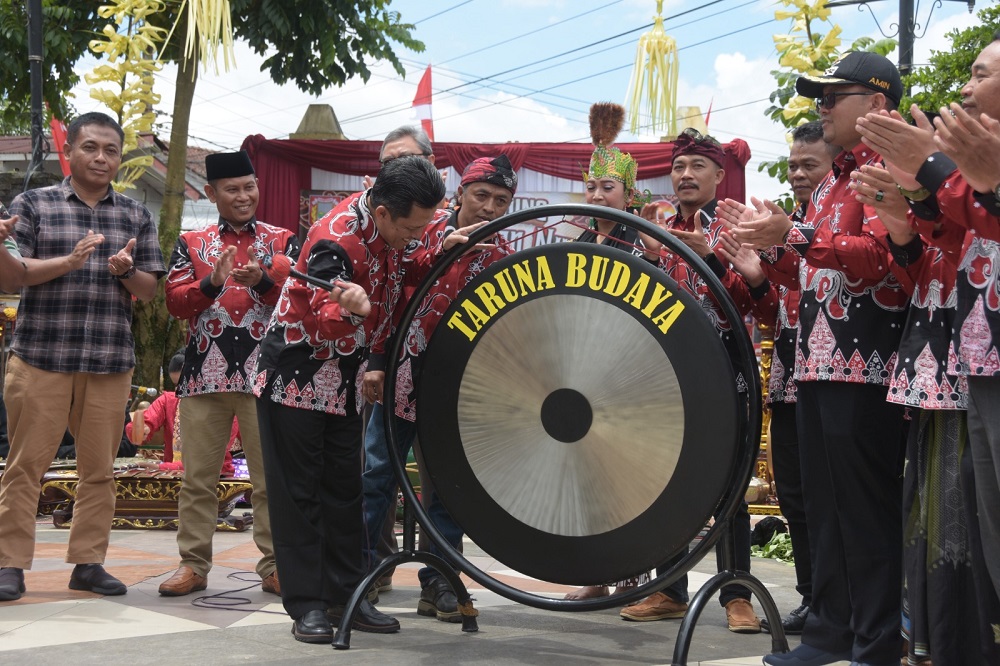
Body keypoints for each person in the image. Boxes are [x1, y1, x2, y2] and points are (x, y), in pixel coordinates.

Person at [719, 52, 911, 666]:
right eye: (821, 96)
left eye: (837, 94)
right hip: (816, 366)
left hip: (868, 367)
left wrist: (792, 237)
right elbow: (809, 273)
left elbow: (881, 261)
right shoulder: (832, 181)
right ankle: (829, 630)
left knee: (866, 511)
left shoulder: (895, 166)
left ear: (877, 103)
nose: (822, 106)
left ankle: (877, 640)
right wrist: (766, 256)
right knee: (826, 512)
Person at [255, 156, 475, 644]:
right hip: (295, 376)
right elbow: (323, 309)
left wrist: (439, 250)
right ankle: (307, 605)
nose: (418, 234)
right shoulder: (336, 238)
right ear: (381, 214)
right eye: (413, 227)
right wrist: (349, 308)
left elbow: (403, 263)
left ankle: (345, 597)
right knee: (301, 494)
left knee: (344, 491)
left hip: (345, 380)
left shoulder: (393, 227)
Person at [853, 33, 1000, 661]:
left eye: (979, 73)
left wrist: (936, 173)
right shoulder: (968, 170)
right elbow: (940, 256)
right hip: (970, 362)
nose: (963, 89)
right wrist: (913, 203)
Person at [0, 111, 165, 602]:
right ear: (68, 151)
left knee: (100, 469)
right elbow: (11, 276)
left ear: (119, 158)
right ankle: (9, 564)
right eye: (90, 147)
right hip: (41, 357)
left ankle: (88, 563)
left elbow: (150, 290)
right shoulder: (33, 204)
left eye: (110, 150)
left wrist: (124, 271)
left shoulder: (135, 215)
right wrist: (69, 262)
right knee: (26, 465)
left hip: (109, 361)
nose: (101, 157)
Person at [362, 154, 517, 622]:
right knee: (376, 476)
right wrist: (376, 361)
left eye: (501, 200)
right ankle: (360, 575)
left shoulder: (506, 257)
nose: (490, 207)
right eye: (482, 195)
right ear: (460, 195)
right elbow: (389, 299)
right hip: (402, 375)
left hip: (461, 390)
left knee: (448, 488)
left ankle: (441, 584)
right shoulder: (417, 233)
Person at [623, 127, 761, 634]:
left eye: (696, 167)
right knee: (665, 481)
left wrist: (712, 256)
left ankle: (736, 595)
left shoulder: (738, 225)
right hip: (664, 375)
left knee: (729, 484)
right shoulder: (653, 226)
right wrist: (649, 262)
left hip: (725, 370)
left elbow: (751, 302)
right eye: (679, 167)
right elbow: (633, 300)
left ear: (719, 176)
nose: (684, 175)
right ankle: (669, 588)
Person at [159, 151, 298, 598]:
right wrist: (211, 284)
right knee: (197, 477)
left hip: (265, 376)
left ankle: (276, 565)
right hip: (203, 375)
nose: (243, 196)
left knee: (269, 479)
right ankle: (192, 565)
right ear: (211, 193)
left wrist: (260, 280)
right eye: (232, 189)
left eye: (249, 187)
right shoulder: (191, 241)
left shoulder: (282, 240)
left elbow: (297, 301)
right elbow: (175, 302)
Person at [721, 121, 836, 636]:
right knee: (793, 495)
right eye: (791, 165)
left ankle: (840, 607)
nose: (797, 175)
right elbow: (776, 314)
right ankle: (814, 600)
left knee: (828, 498)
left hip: (836, 379)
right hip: (791, 378)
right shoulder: (792, 224)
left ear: (836, 165)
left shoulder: (835, 221)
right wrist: (759, 278)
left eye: (808, 165)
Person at [126, 351, 239, 474]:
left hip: (213, 477)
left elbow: (209, 459)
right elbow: (144, 422)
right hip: (172, 476)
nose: (179, 390)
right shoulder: (168, 400)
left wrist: (161, 467)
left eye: (184, 385)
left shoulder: (221, 405)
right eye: (176, 385)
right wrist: (140, 430)